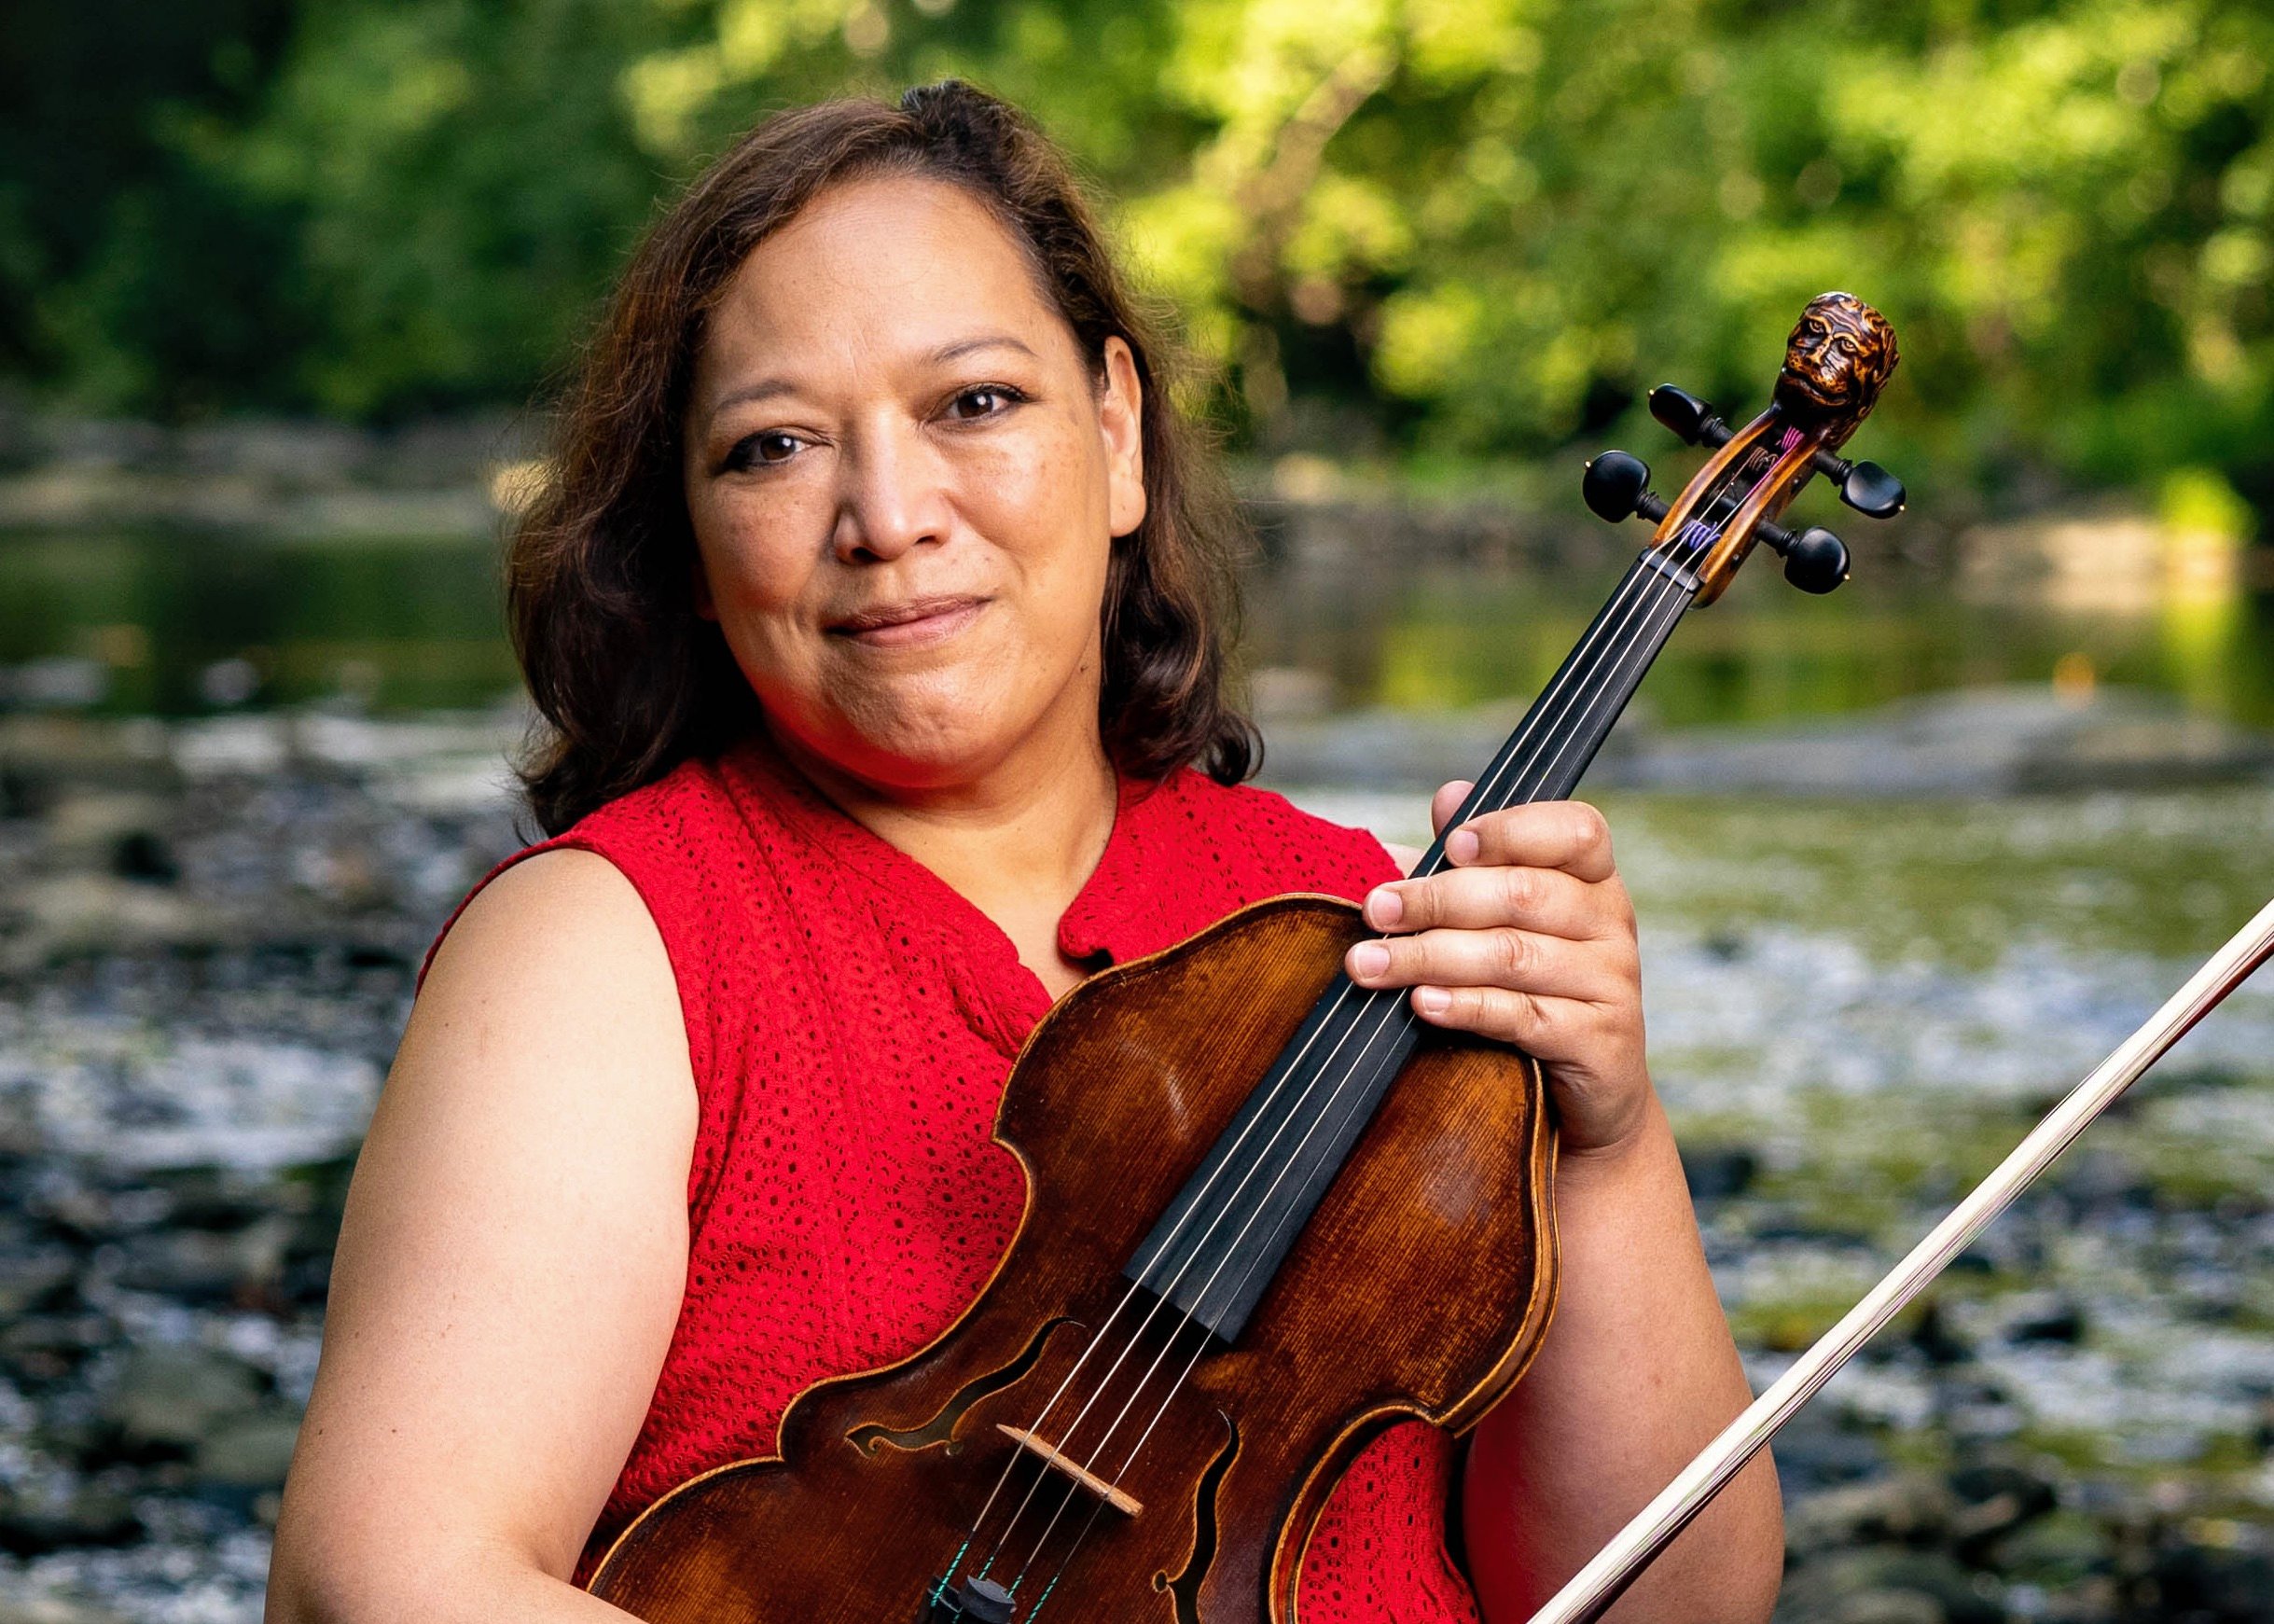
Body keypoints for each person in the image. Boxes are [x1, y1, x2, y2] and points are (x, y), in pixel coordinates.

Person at [264, 78, 1781, 1624]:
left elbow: (1672, 1609)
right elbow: (382, 1581)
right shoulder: (609, 949)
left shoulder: (1364, 926)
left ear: (1116, 436)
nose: (888, 512)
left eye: (973, 404)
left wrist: (1604, 1135)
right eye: (774, 446)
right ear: (693, 549)